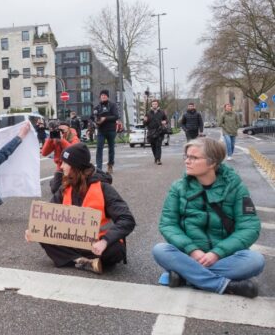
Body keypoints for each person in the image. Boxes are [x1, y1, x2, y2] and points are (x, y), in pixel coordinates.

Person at [152, 137, 264, 298]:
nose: (187, 162)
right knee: (160, 250)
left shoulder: (236, 187)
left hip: (225, 257)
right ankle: (226, 286)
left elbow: (249, 227)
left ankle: (186, 276)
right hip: (189, 255)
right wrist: (192, 250)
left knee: (255, 260)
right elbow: (168, 224)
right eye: (186, 157)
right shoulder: (178, 187)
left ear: (212, 163)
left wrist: (217, 253)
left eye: (194, 158)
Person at [26, 143, 135, 274]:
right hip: (74, 242)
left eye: (65, 163)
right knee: (43, 237)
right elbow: (48, 216)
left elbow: (127, 220)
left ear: (75, 166)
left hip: (97, 244)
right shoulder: (65, 188)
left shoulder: (103, 188)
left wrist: (105, 242)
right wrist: (34, 230)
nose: (61, 166)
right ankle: (82, 261)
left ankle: (73, 259)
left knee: (116, 250)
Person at [40, 120, 80, 193]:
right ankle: (55, 181)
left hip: (73, 167)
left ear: (68, 129)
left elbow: (74, 152)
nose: (61, 132)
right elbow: (44, 153)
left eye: (63, 130)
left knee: (74, 189)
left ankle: (59, 180)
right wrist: (50, 138)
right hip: (61, 167)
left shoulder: (74, 138)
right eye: (59, 130)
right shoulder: (55, 137)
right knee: (55, 189)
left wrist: (62, 141)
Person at [92, 90, 119, 174]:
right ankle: (99, 168)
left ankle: (110, 165)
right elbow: (92, 117)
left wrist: (105, 118)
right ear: (100, 97)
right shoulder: (97, 107)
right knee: (99, 149)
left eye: (105, 95)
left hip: (111, 130)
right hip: (101, 130)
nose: (103, 96)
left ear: (108, 96)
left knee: (111, 149)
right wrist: (94, 121)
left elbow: (116, 116)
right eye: (102, 95)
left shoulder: (112, 105)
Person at [144, 100, 168, 165]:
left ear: (158, 105)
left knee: (158, 145)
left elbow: (166, 119)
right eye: (153, 104)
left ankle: (158, 159)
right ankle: (156, 157)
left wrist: (165, 121)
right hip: (151, 131)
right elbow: (145, 124)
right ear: (151, 105)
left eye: (156, 104)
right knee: (153, 146)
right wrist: (145, 120)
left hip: (159, 131)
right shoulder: (148, 113)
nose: (154, 105)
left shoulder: (162, 112)